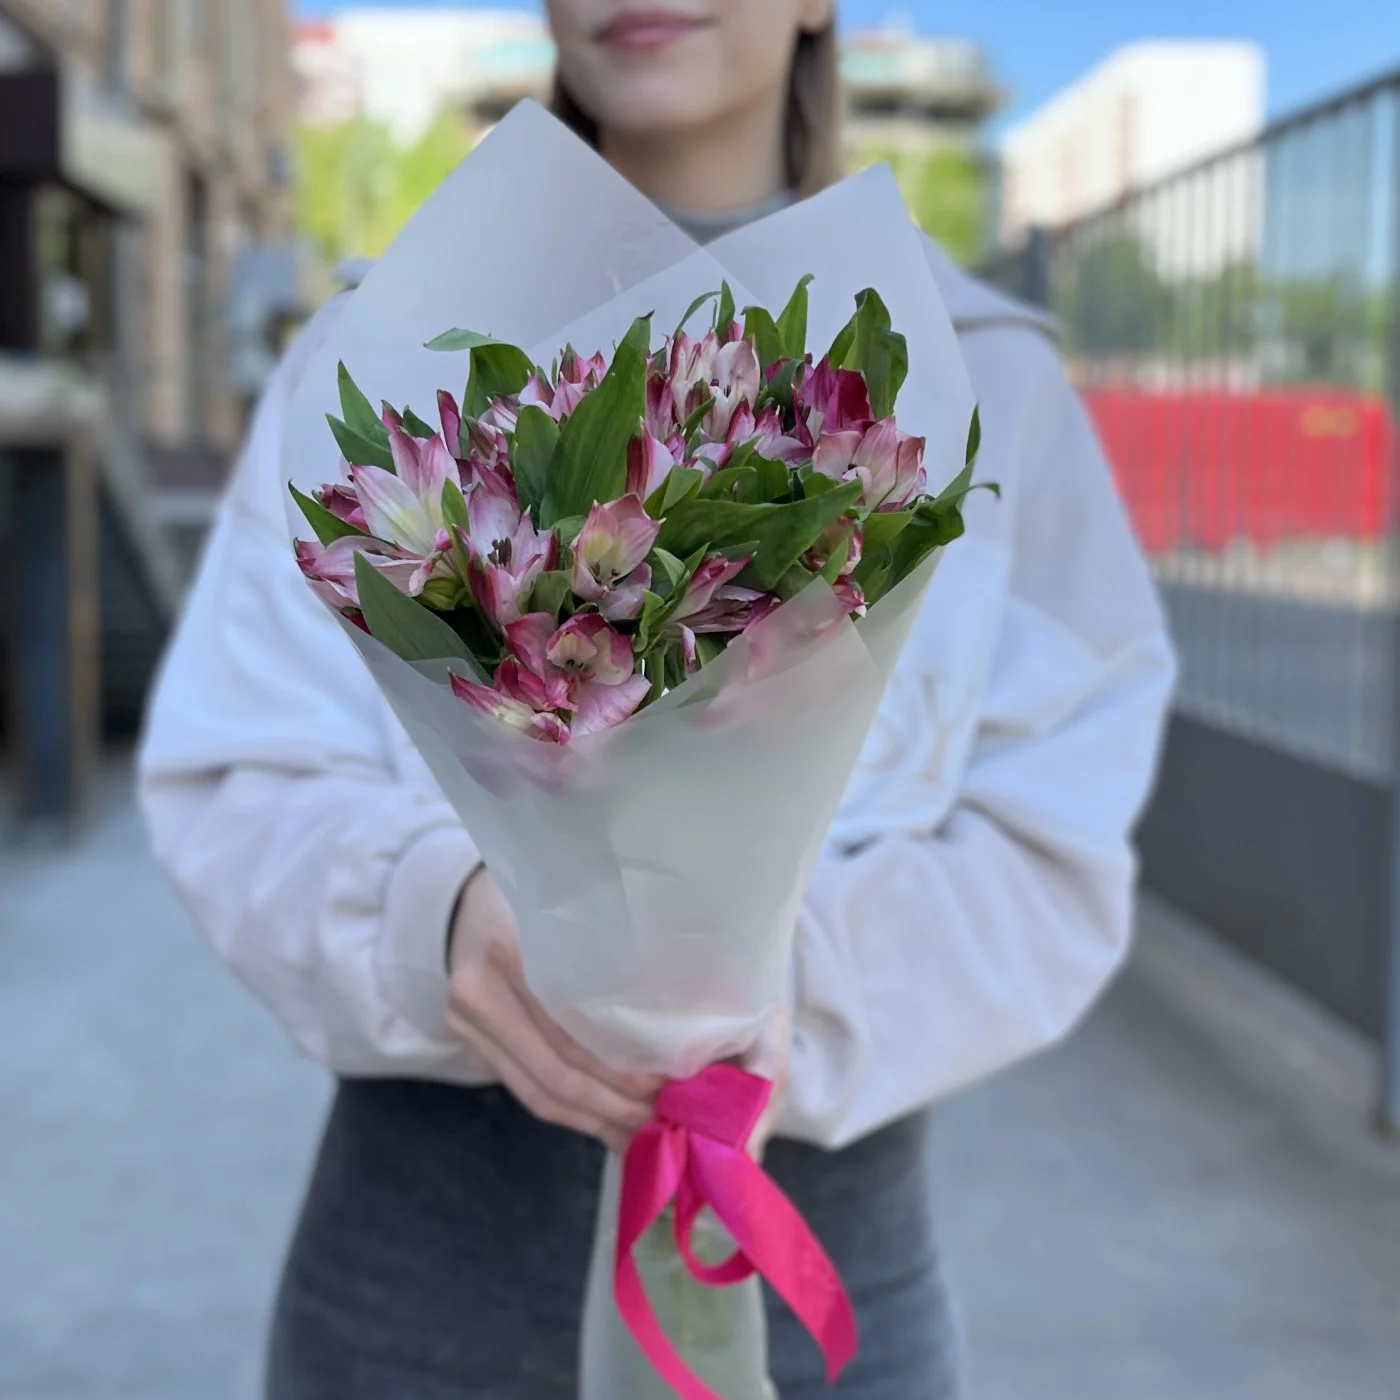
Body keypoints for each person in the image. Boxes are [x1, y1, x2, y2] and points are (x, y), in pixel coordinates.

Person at [138, 2, 1176, 1396]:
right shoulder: (379, 346)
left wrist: (760, 992)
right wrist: (438, 916)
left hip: (816, 1293)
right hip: (417, 1307)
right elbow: (236, 771)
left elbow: (1051, 848)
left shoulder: (983, 374)